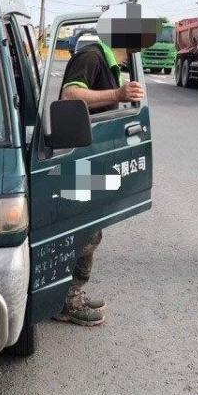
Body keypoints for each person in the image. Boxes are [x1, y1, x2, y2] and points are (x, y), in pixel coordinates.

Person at [54, 33, 145, 325]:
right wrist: (117, 95)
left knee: (93, 229)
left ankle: (72, 292)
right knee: (84, 233)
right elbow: (70, 96)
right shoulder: (92, 57)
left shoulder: (110, 63)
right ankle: (66, 300)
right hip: (77, 156)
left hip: (90, 154)